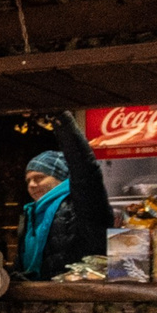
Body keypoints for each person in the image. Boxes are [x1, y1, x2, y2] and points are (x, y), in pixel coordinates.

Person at [18, 113, 116, 281]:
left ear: (61, 178)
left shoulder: (80, 204)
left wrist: (62, 121)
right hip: (42, 298)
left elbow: (85, 169)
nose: (32, 185)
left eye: (39, 178)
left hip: (80, 297)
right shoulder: (30, 213)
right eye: (28, 181)